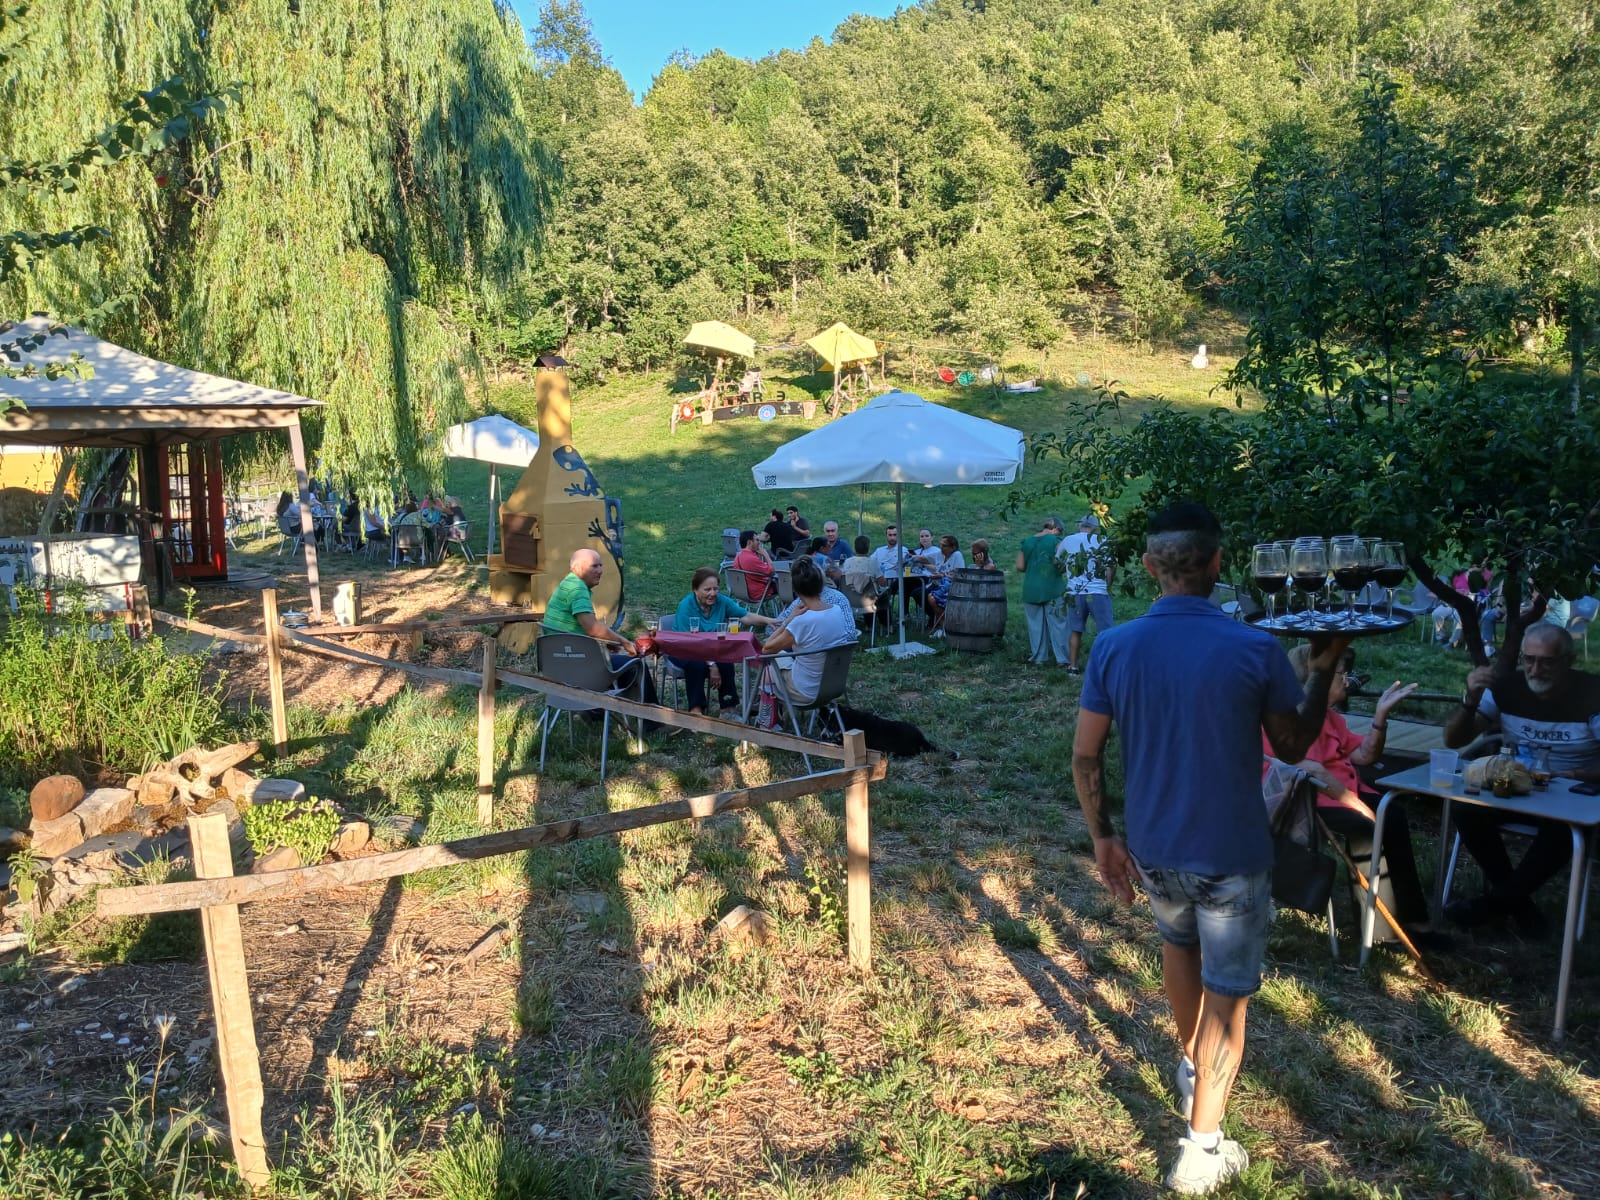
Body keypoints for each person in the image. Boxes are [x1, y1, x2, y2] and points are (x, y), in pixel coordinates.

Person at [1073, 501, 1348, 1194]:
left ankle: (1193, 1070)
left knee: (1178, 948)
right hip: (1230, 852)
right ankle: (1202, 1149)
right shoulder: (1253, 647)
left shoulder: (1115, 645)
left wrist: (1102, 836)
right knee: (1229, 995)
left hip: (1155, 847)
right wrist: (1320, 672)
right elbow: (1292, 744)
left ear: (1148, 568)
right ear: (1218, 564)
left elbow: (1085, 756)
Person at [1262, 646, 1440, 943]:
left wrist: (1380, 718)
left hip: (1341, 791)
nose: (1347, 680)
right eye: (1340, 674)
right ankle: (1384, 931)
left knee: (1392, 816)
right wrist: (1356, 805)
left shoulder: (1330, 718)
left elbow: (1365, 755)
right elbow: (1311, 769)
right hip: (1305, 802)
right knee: (1371, 825)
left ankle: (1406, 920)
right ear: (1314, 681)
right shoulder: (1281, 719)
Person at [1442, 624, 1600, 933]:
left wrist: (1576, 774)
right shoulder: (1507, 688)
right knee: (1466, 807)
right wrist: (1470, 700)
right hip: (1517, 785)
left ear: (1567, 661)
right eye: (1529, 659)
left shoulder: (1592, 695)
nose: (1535, 669)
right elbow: (1453, 740)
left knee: (1563, 828)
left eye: (1547, 661)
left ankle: (1494, 905)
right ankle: (1518, 905)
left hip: (1573, 792)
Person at [542, 548, 658, 708]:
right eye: (594, 566)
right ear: (577, 568)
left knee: (612, 660)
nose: (600, 571)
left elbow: (577, 629)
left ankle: (595, 712)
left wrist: (604, 642)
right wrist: (624, 642)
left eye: (601, 566)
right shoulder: (578, 590)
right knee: (638, 665)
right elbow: (592, 628)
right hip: (579, 666)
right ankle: (652, 722)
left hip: (559, 664)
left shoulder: (567, 584)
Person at [671, 568, 779, 715]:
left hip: (711, 649)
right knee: (696, 664)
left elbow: (745, 616)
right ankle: (696, 709)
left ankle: (728, 708)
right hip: (684, 649)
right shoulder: (686, 605)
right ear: (695, 590)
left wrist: (767, 620)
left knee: (726, 663)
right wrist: (711, 665)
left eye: (715, 588)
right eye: (707, 589)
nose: (713, 593)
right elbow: (690, 644)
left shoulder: (721, 601)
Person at [761, 558, 856, 705]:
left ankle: (766, 719)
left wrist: (788, 620)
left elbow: (766, 648)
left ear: (795, 588)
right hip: (833, 685)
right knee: (783, 657)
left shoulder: (802, 622)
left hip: (805, 691)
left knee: (769, 667)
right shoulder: (837, 611)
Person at [1058, 513, 1117, 675]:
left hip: (1075, 592)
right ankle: (1106, 667)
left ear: (1080, 525)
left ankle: (1073, 667)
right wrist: (1107, 585)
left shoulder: (1068, 540)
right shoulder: (1103, 541)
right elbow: (1110, 567)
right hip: (1098, 591)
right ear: (1095, 527)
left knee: (1075, 630)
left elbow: (1058, 559)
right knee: (1105, 632)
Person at [1017, 516, 1067, 666]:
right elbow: (1062, 563)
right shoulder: (1056, 541)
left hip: (1031, 588)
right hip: (1053, 588)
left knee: (1035, 625)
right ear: (1056, 529)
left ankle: (1039, 658)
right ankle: (1063, 658)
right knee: (1058, 624)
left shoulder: (1026, 542)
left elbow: (1020, 566)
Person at [923, 535, 967, 633]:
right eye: (941, 545)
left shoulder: (957, 555)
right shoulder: (941, 554)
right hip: (938, 583)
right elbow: (926, 559)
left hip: (950, 586)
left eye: (944, 546)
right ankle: (938, 620)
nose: (941, 548)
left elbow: (959, 575)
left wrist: (941, 575)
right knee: (918, 593)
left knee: (926, 595)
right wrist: (914, 557)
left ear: (953, 547)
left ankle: (942, 622)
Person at [732, 529, 777, 602]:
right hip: (759, 593)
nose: (759, 542)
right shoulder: (751, 558)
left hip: (743, 592)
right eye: (757, 540)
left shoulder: (738, 556)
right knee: (787, 586)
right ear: (749, 542)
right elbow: (772, 572)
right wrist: (766, 555)